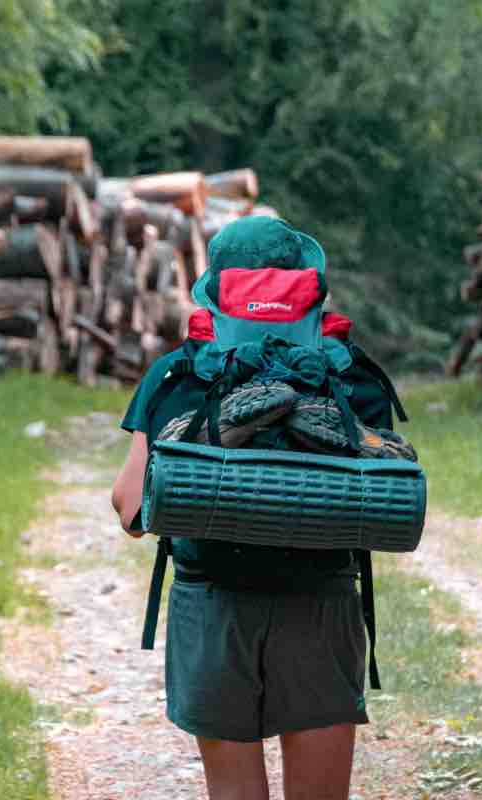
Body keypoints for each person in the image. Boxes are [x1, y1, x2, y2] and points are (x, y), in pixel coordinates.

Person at [111, 217, 382, 800]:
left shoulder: (177, 373)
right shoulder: (347, 372)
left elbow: (130, 508)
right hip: (320, 602)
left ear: (214, 290)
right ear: (308, 286)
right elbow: (384, 494)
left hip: (213, 605)